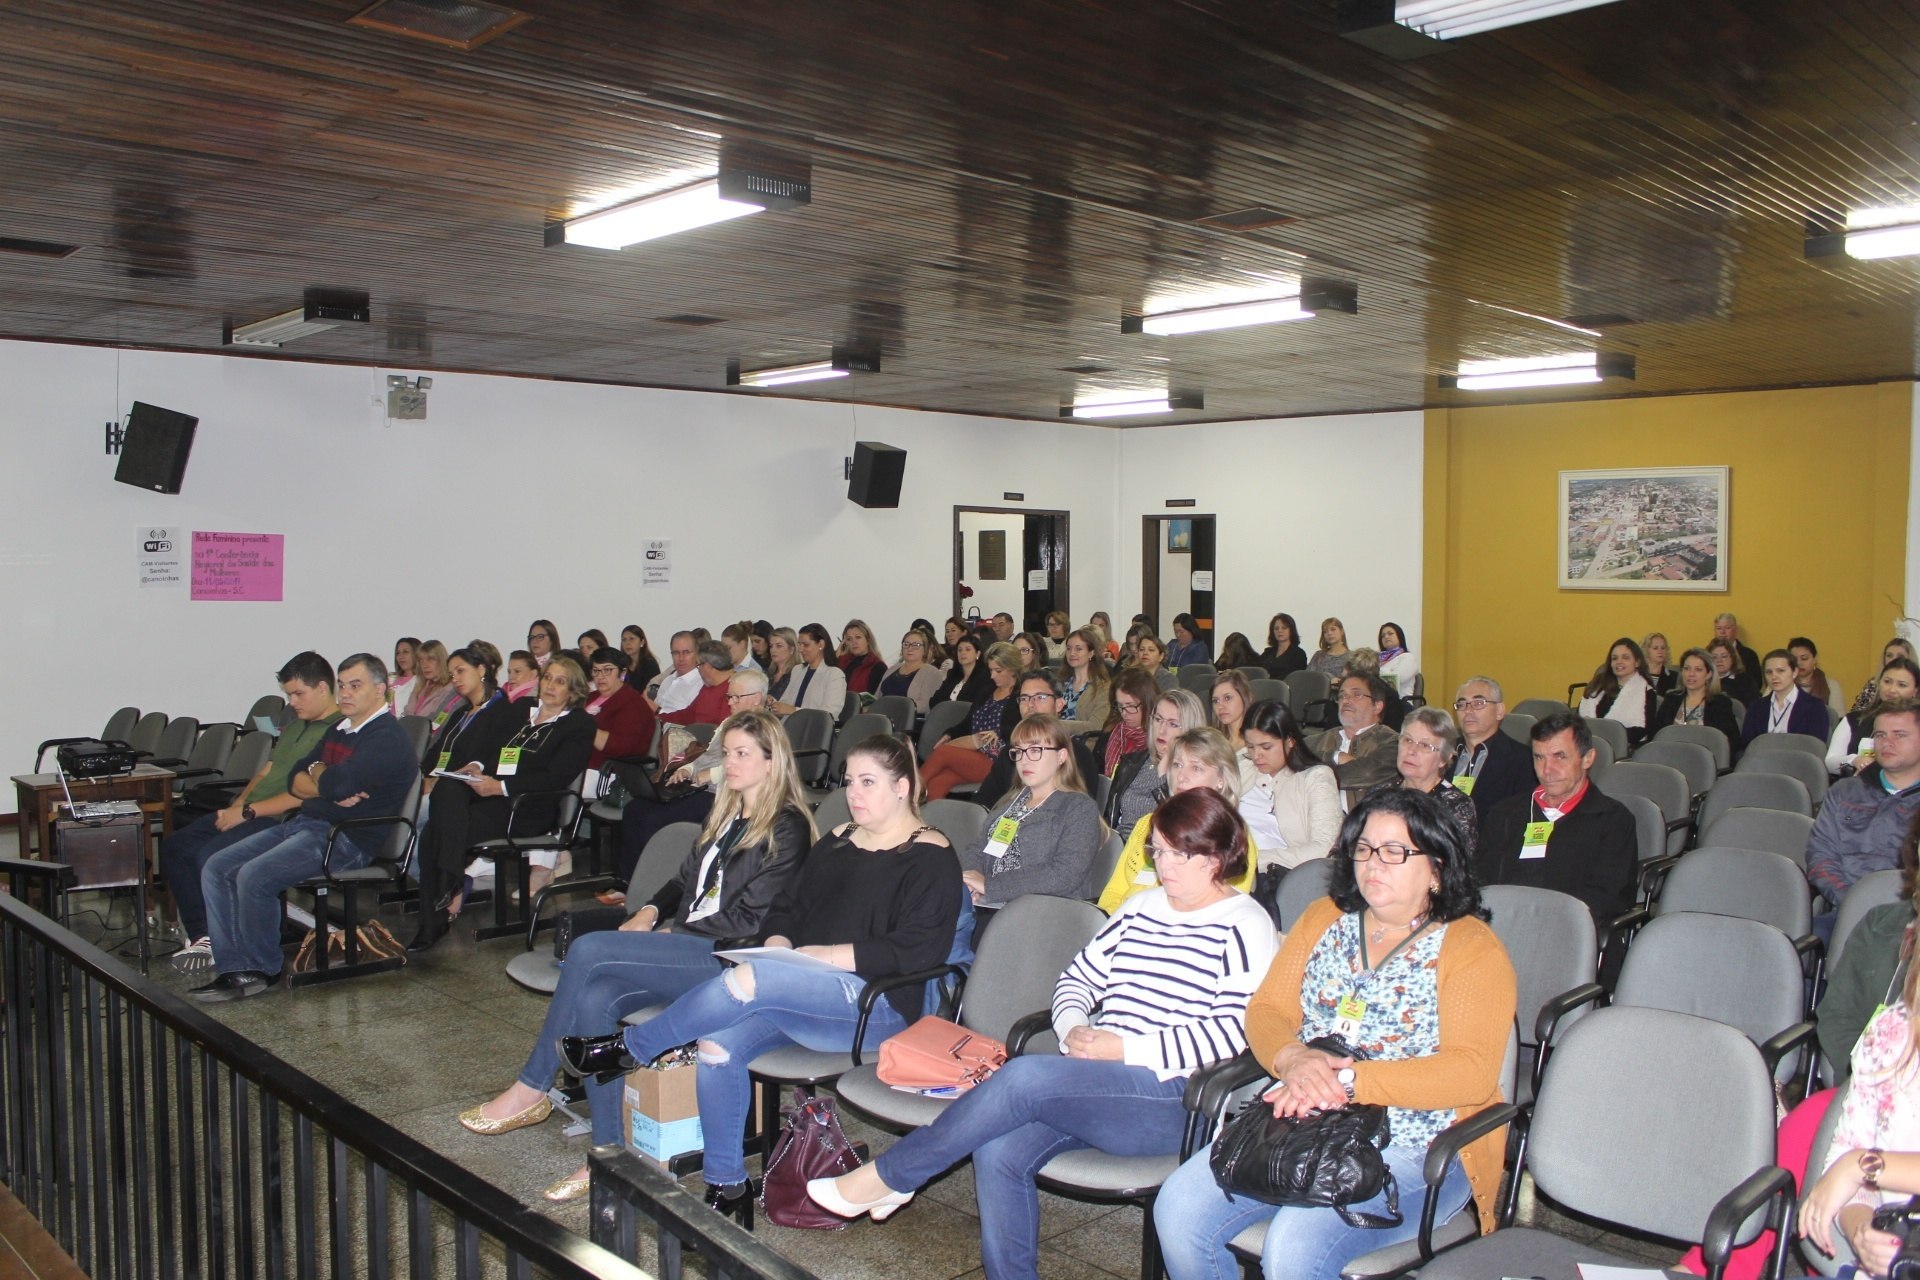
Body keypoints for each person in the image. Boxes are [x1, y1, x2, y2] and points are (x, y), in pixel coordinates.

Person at [812, 790, 1277, 1278]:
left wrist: (1125, 1047)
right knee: (999, 1148)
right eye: (1158, 851)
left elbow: (1232, 1032)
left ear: (1221, 855)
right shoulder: (1142, 909)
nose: (1166, 866)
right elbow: (1076, 979)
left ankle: (894, 1175)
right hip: (1098, 1081)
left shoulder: (1243, 924)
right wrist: (1074, 1027)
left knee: (1026, 1076)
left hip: (1174, 1098)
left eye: (1182, 854)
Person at [553, 734, 962, 1222]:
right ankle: (728, 1189)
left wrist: (827, 956)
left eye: (868, 782)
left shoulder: (930, 854)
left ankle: (632, 1048)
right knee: (716, 1046)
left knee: (747, 981)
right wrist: (778, 944)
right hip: (802, 986)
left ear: (902, 786)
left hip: (877, 1004)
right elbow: (787, 907)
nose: (854, 793)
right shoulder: (837, 841)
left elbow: (918, 949)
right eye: (850, 781)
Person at [1156, 788, 1516, 1280]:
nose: (1373, 864)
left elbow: (1471, 1074)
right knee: (1177, 1209)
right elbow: (1266, 1010)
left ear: (1436, 865)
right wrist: (1292, 1060)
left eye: (1395, 851)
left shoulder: (1472, 947)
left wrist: (1347, 1084)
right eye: (1364, 849)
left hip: (1420, 1144)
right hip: (1300, 1121)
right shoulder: (1325, 917)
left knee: (1294, 1246)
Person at [458, 709, 816, 1199]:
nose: (729, 763)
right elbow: (683, 881)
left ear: (773, 763)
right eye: (727, 752)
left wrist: (675, 931)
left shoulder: (787, 827)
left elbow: (752, 920)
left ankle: (533, 1085)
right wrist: (650, 910)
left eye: (741, 754)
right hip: (690, 943)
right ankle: (611, 1156)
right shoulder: (726, 813)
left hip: (730, 959)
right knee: (595, 998)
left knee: (587, 950)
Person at [190, 654, 416, 1001]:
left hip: (344, 840)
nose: (346, 694)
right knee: (217, 866)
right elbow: (299, 780)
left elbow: (335, 786)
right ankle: (232, 966)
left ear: (381, 690)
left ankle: (260, 970)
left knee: (254, 876)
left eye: (356, 685)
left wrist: (320, 775)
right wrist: (321, 777)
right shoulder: (340, 728)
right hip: (307, 824)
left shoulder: (385, 737)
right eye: (342, 685)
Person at [163, 652, 343, 973]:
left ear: (323, 688)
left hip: (281, 818)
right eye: (289, 694)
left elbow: (310, 792)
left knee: (211, 856)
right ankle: (204, 935)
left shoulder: (338, 731)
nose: (293, 702)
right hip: (251, 809)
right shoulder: (295, 727)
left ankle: (228, 945)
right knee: (176, 847)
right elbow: (264, 772)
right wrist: (237, 805)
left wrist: (247, 812)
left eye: (299, 694)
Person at [408, 656, 597, 950]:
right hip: (490, 796)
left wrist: (502, 787)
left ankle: (433, 918)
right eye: (547, 678)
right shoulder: (522, 710)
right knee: (447, 786)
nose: (550, 686)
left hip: (527, 806)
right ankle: (449, 886)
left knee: (434, 832)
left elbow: (556, 777)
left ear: (573, 691)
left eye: (560, 682)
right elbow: (490, 746)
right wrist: (476, 765)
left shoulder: (578, 724)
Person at [1799, 948, 1920, 1277]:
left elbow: (1852, 1166)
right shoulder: (1892, 1031)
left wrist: (1864, 1165)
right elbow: (1841, 1171)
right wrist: (1863, 1233)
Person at [605, 670, 770, 901]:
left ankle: (648, 890)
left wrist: (708, 775)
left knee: (654, 819)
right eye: (729, 697)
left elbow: (751, 767)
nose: (730, 702)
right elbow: (705, 756)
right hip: (699, 787)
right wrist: (688, 769)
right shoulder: (729, 723)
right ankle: (626, 883)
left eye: (736, 697)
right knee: (636, 809)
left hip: (726, 796)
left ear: (756, 698)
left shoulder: (764, 729)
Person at [1476, 711, 1638, 924]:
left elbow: (1609, 897)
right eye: (1539, 757)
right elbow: (1480, 879)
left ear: (1587, 758)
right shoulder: (1505, 814)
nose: (1547, 770)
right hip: (1501, 925)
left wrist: (1539, 914)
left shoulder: (1612, 821)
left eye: (1560, 757)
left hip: (1566, 931)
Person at [963, 714, 1105, 925]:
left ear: (1061, 756)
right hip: (993, 907)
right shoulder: (1011, 801)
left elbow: (1064, 874)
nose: (1024, 760)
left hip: (1044, 917)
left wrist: (991, 886)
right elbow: (977, 848)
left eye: (1035, 750)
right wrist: (971, 879)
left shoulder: (1078, 808)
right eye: (1019, 751)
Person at [1100, 727, 1257, 911]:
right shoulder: (1148, 824)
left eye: (1196, 768)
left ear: (1221, 779)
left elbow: (1226, 909)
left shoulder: (1232, 835)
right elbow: (1112, 894)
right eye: (1177, 765)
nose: (1181, 777)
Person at [1814, 822, 1920, 1083]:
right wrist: (1869, 1074)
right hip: (1868, 1084)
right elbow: (1837, 1015)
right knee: (1803, 1122)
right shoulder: (1880, 924)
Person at [1807, 699, 1920, 921]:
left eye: (1899, 735)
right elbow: (1820, 855)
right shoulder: (1844, 791)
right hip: (1847, 909)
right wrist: (1853, 900)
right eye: (1880, 735)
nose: (1887, 742)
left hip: (1911, 917)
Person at [1236, 699, 1342, 875]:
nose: (1256, 755)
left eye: (1266, 747)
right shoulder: (1242, 766)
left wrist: (1252, 859)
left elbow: (1325, 848)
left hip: (1276, 876)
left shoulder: (1315, 778)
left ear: (1290, 741)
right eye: (1250, 747)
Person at [973, 671, 1102, 808]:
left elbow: (1079, 814)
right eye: (1024, 698)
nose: (1030, 705)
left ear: (1059, 704)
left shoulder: (1078, 756)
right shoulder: (1010, 753)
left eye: (1040, 697)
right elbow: (983, 802)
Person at [921, 642, 1021, 799]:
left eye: (998, 670)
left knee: (943, 752)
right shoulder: (987, 691)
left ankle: (907, 795)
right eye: (990, 670)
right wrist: (950, 734)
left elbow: (1018, 729)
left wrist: (998, 733)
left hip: (996, 761)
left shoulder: (1020, 697)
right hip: (972, 754)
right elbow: (967, 724)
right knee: (938, 783)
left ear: (1013, 669)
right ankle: (928, 821)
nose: (992, 675)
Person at [1369, 705, 1478, 843]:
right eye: (1407, 740)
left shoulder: (1456, 806)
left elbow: (1457, 861)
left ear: (1444, 758)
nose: (1411, 750)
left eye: (1425, 745)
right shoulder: (1379, 794)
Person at [1106, 688, 1207, 835]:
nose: (1161, 730)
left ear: (1191, 730)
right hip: (1120, 847)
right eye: (1158, 719)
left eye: (1173, 724)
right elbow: (1110, 818)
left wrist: (1168, 768)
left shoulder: (1193, 774)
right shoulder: (1132, 762)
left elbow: (1180, 825)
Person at [1449, 678, 1534, 823]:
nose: (1468, 710)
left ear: (1500, 711)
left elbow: (1521, 819)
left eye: (1478, 703)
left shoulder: (1522, 760)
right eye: (1462, 704)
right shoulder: (1443, 752)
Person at [1308, 674, 1400, 797]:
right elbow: (1290, 761)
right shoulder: (1317, 740)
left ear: (1377, 706)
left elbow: (1367, 774)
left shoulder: (1393, 742)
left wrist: (1311, 770)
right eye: (1342, 695)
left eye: (1356, 695)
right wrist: (1336, 756)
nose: (1346, 700)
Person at [1829, 658, 1920, 776]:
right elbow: (1830, 762)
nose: (1892, 689)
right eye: (1887, 681)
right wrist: (1854, 760)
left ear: (1915, 691)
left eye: (1901, 685)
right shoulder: (1854, 720)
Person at [583, 648, 656, 789]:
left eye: (607, 670)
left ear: (622, 673)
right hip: (579, 766)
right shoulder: (591, 697)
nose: (600, 676)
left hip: (607, 774)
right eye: (596, 670)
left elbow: (622, 748)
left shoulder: (633, 704)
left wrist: (585, 727)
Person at [1656, 646, 1744, 750]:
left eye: (1698, 670)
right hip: (1669, 756)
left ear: (1709, 674)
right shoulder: (1671, 699)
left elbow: (1730, 743)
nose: (1691, 674)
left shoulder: (1720, 703)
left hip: (1704, 760)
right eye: (1687, 668)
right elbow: (1657, 735)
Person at [1576, 636, 1658, 747]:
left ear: (1637, 662)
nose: (1619, 662)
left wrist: (1607, 738)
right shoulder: (1597, 685)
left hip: (1626, 750)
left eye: (1625, 657)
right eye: (1614, 658)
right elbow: (1578, 720)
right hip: (1587, 745)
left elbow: (1641, 731)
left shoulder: (1647, 692)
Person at [1742, 647, 1831, 747]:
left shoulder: (1814, 706)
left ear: (1795, 672)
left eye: (1781, 671)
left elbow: (1816, 746)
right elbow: (1747, 744)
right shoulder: (1756, 706)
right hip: (1762, 760)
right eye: (1769, 672)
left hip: (1798, 760)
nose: (1774, 676)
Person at [769, 623, 848, 717]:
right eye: (799, 645)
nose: (800, 649)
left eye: (805, 645)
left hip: (814, 729)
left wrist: (793, 710)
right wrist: (775, 704)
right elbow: (786, 702)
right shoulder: (797, 670)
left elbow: (829, 714)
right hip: (791, 725)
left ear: (821, 644)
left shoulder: (834, 675)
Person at [661, 641, 736, 727]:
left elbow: (723, 731)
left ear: (707, 667)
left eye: (698, 665)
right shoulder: (708, 686)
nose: (698, 669)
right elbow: (688, 715)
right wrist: (659, 718)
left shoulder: (735, 689)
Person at [879, 629, 943, 714]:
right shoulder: (892, 669)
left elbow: (926, 705)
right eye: (906, 644)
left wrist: (895, 709)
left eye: (915, 645)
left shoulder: (931, 673)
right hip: (882, 716)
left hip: (909, 720)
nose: (910, 648)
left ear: (925, 649)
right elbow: (877, 696)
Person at [1059, 627, 1112, 724]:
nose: (1072, 653)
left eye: (1078, 649)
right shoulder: (1060, 682)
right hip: (1052, 737)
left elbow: (1096, 725)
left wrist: (1058, 726)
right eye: (1068, 649)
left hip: (1082, 739)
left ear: (1091, 653)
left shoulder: (1103, 687)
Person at [1854, 639, 1920, 715]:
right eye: (1889, 655)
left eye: (1902, 685)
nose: (1893, 659)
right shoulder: (1873, 682)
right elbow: (1857, 711)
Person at [931, 631, 993, 709]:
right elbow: (934, 701)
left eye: (968, 649)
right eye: (960, 650)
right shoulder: (953, 675)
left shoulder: (984, 677)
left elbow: (976, 705)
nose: (963, 653)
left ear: (978, 654)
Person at [405, 639, 462, 724]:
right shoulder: (421, 686)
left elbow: (439, 720)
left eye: (430, 659)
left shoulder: (451, 689)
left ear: (441, 660)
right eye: (421, 660)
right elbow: (407, 713)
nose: (425, 665)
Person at [1790, 636, 1847, 720]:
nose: (1799, 663)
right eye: (1794, 659)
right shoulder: (1781, 684)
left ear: (1815, 659)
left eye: (1804, 658)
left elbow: (1838, 719)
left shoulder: (1831, 685)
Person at [650, 632, 703, 716]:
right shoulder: (668, 680)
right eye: (676, 653)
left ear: (697, 654)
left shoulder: (700, 683)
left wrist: (656, 710)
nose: (681, 658)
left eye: (686, 652)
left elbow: (688, 718)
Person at [1713, 612, 1763, 689]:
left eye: (1727, 628)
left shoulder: (1749, 655)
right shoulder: (1707, 654)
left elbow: (1757, 683)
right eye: (1718, 628)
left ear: (1735, 629)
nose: (1722, 632)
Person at [1210, 670, 1254, 752]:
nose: (1220, 706)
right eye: (1216, 701)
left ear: (1244, 698)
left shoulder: (1259, 742)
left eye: (1227, 698)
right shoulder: (1212, 743)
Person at [838, 619, 886, 694]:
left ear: (868, 639)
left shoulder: (878, 666)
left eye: (858, 637)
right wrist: (838, 658)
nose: (854, 642)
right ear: (845, 643)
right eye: (849, 639)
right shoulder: (842, 663)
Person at [1710, 636, 1760, 706]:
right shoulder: (1704, 680)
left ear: (1733, 658)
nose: (1719, 661)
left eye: (1724, 656)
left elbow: (1753, 707)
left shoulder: (1745, 681)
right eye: (1714, 657)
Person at [1376, 622, 1419, 700]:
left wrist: (1377, 671)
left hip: (1400, 703)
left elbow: (1394, 679)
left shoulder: (1408, 657)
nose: (1386, 637)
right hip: (1380, 701)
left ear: (1399, 636)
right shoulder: (1376, 659)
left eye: (1390, 633)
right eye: (1383, 636)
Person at [1259, 612, 1307, 679]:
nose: (1280, 631)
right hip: (1263, 686)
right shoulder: (1268, 652)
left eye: (1284, 628)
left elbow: (1293, 677)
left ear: (1291, 630)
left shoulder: (1298, 654)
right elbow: (1258, 671)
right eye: (1276, 628)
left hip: (1283, 688)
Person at [1308, 618, 1350, 682]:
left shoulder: (1351, 657)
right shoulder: (1318, 655)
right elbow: (1308, 677)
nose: (1329, 633)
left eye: (1333, 629)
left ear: (1341, 631)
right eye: (1325, 631)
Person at [621, 624, 662, 690]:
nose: (627, 643)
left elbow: (652, 693)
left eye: (632, 639)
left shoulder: (650, 665)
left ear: (642, 642)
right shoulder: (621, 665)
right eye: (624, 640)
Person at [1642, 631, 1676, 698]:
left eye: (1663, 648)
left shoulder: (1675, 677)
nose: (1660, 651)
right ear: (1646, 651)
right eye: (1655, 648)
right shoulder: (1638, 675)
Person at [389, 637, 420, 710]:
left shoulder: (422, 682)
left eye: (406, 652)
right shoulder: (391, 680)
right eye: (398, 653)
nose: (401, 656)